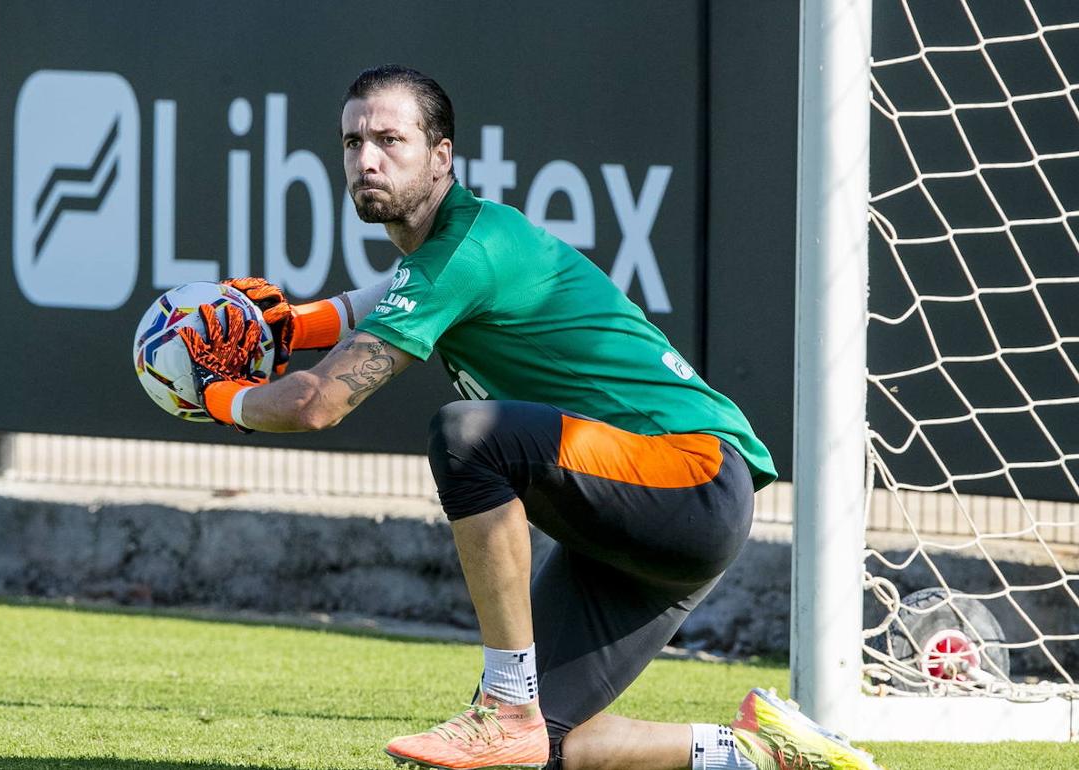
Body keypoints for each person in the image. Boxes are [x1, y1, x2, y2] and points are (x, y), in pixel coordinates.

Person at [177, 65, 881, 770]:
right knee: (547, 751)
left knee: (470, 438)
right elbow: (368, 303)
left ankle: (506, 704)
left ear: (441, 157)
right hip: (651, 512)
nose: (366, 158)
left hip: (689, 475)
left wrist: (210, 395)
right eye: (353, 140)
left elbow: (317, 403)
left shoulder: (465, 252)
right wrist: (287, 326)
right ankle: (759, 752)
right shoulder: (443, 256)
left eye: (390, 139)